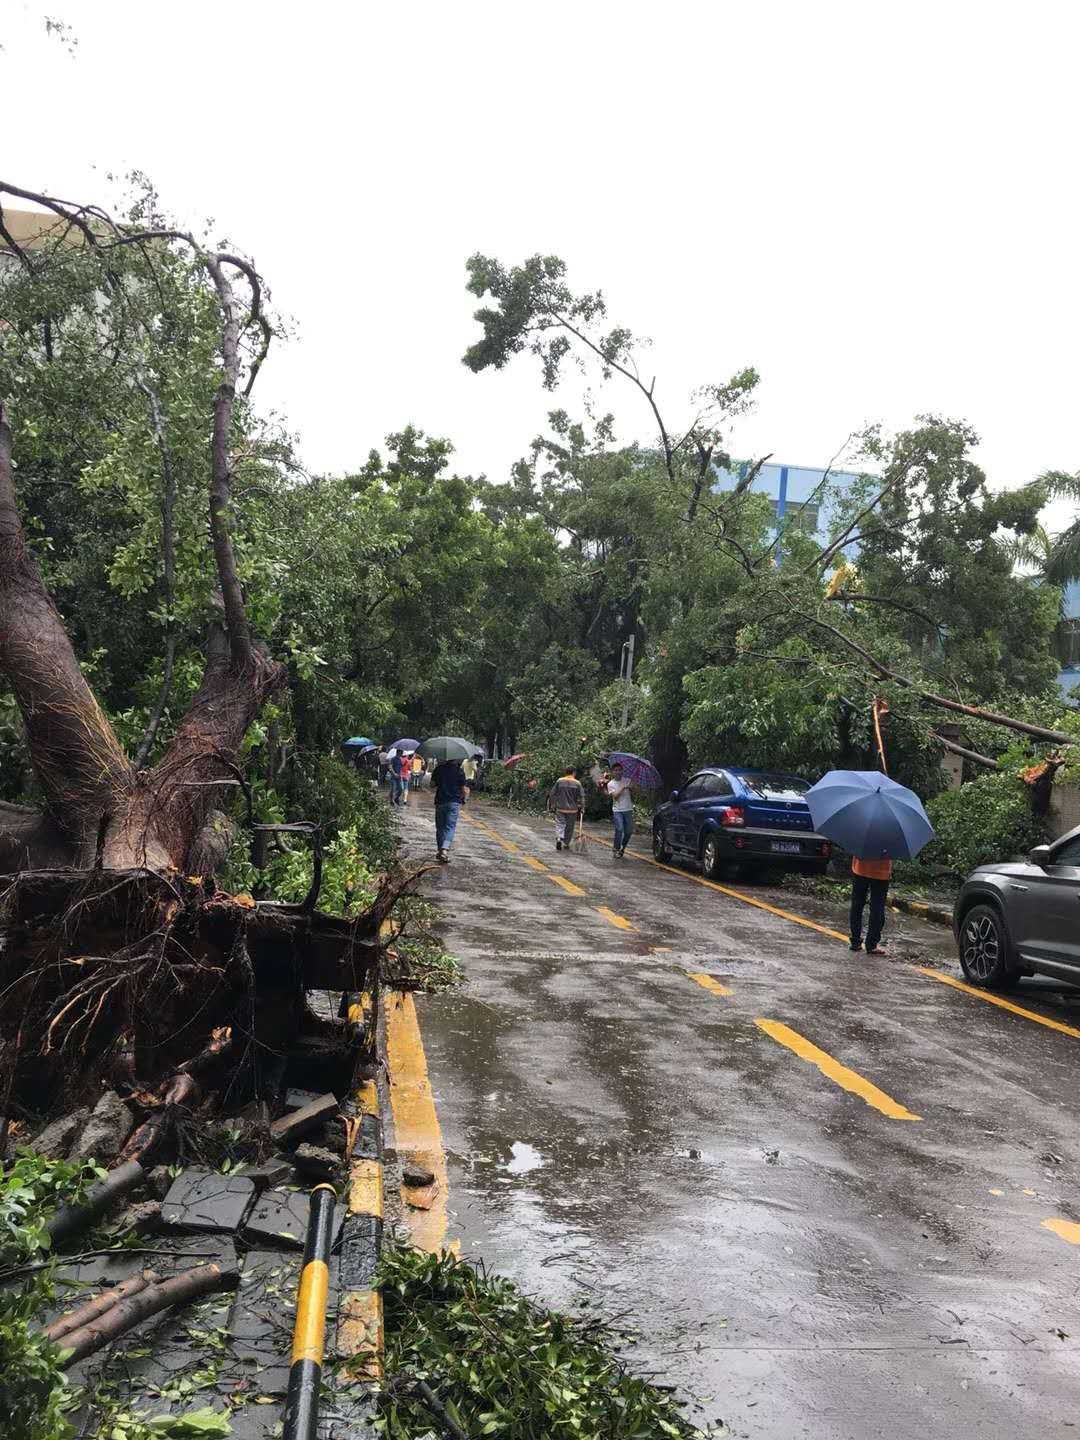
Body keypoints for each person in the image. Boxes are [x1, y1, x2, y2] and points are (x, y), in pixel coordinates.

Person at [850, 853, 892, 954]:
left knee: (857, 905)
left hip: (860, 868)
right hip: (881, 871)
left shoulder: (862, 836)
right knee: (877, 907)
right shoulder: (892, 836)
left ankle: (855, 942)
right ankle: (871, 944)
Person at [432, 757, 470, 862]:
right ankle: (445, 849)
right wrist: (464, 799)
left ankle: (440, 851)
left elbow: (432, 784)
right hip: (454, 802)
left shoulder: (439, 769)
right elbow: (463, 789)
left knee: (440, 827)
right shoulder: (459, 771)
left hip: (440, 801)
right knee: (450, 827)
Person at [547, 767, 584, 852]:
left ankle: (559, 838)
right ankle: (566, 843)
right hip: (572, 809)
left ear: (566, 772)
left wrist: (552, 804)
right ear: (574, 773)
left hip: (560, 807)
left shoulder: (559, 781)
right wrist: (582, 807)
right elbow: (582, 796)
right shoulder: (577, 783)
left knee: (560, 824)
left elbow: (552, 793)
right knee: (569, 827)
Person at [603, 762, 634, 858]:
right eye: (616, 770)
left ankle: (622, 848)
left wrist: (633, 786)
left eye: (620, 770)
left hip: (628, 809)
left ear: (622, 771)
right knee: (619, 829)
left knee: (629, 831)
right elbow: (615, 796)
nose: (618, 772)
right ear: (612, 772)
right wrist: (623, 787)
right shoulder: (611, 784)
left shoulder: (627, 780)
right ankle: (616, 848)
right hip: (617, 810)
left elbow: (635, 790)